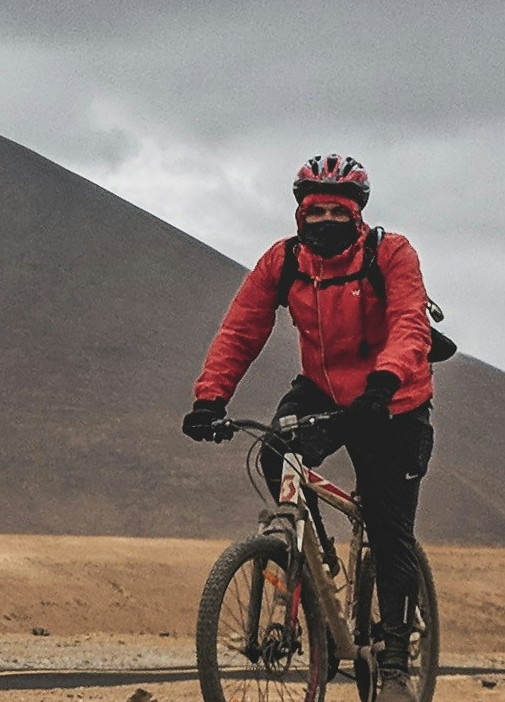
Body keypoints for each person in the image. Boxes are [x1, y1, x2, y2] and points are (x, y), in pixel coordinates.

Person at [182, 152, 436, 665]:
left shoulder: (391, 254)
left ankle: (394, 661)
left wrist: (384, 384)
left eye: (337, 214)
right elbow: (241, 329)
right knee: (275, 452)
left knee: (390, 531)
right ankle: (314, 558)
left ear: (356, 215)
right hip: (322, 388)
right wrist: (211, 397)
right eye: (315, 213)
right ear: (300, 214)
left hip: (394, 400)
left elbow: (411, 323)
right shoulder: (285, 261)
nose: (325, 222)